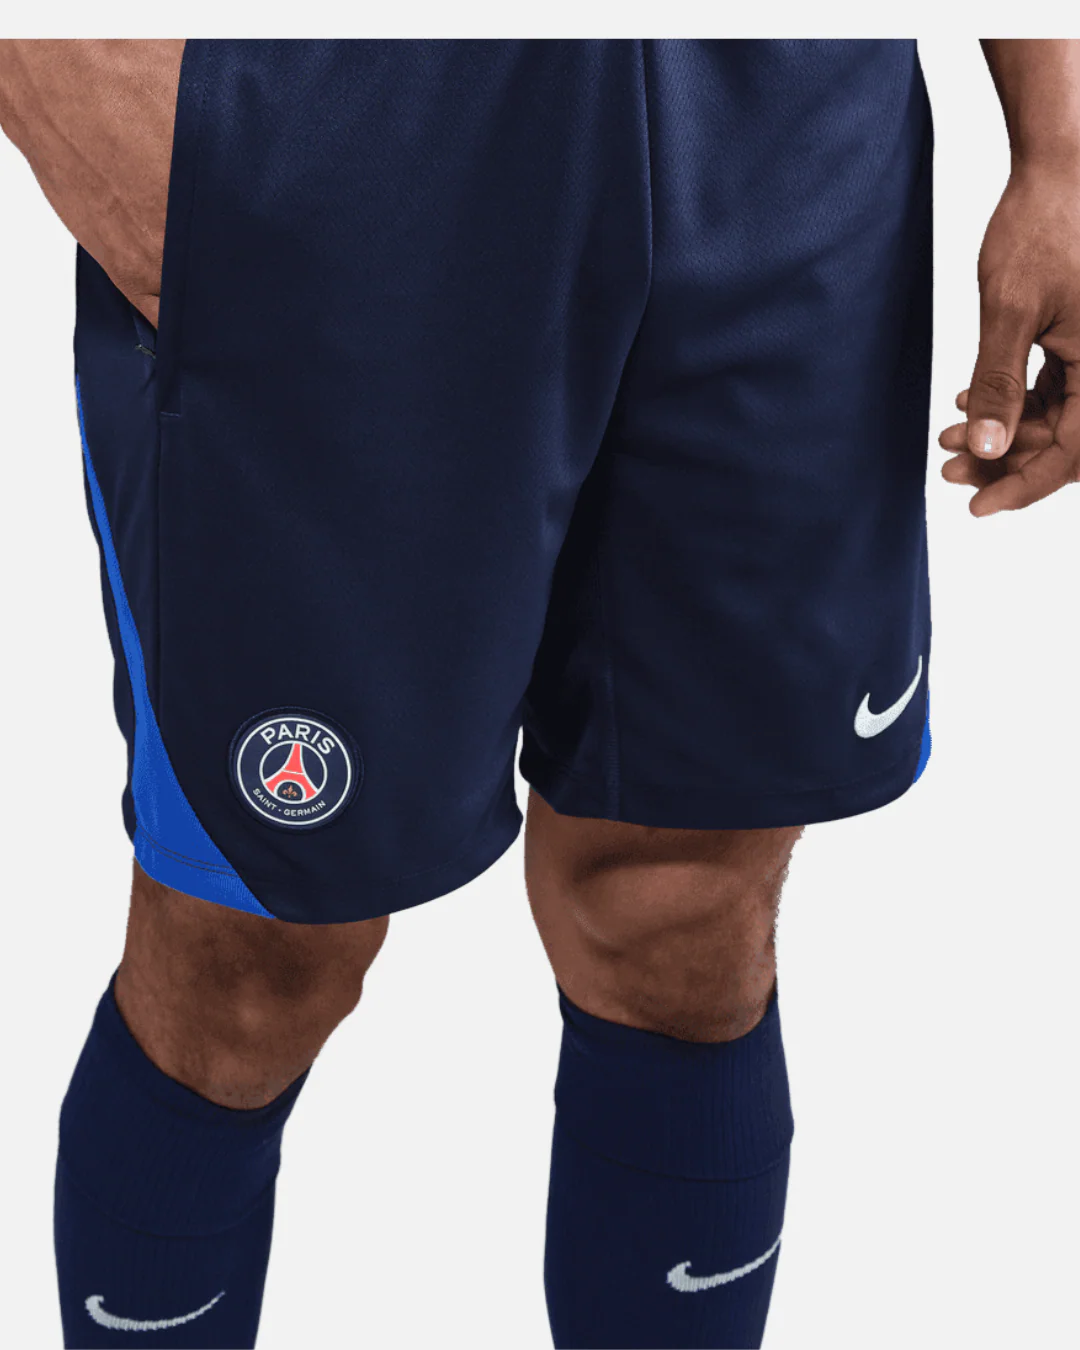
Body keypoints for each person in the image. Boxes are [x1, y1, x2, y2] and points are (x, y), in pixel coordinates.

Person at [0, 38, 1076, 1350]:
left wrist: (1064, 136)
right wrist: (38, 56)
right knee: (255, 952)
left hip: (786, 103)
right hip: (343, 90)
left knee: (681, 906)